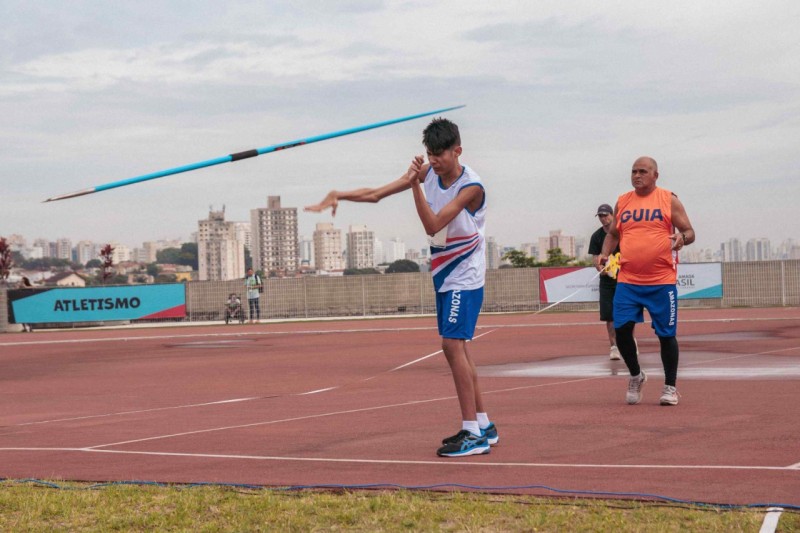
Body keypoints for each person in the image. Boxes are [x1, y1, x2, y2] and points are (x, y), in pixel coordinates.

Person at [305, 117, 497, 457]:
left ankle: (473, 433)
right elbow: (377, 194)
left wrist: (414, 185)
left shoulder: (471, 187)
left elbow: (432, 223)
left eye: (440, 155)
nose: (434, 161)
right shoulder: (429, 174)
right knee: (460, 349)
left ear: (458, 151)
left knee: (451, 345)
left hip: (464, 275)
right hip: (445, 273)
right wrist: (340, 194)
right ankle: (482, 424)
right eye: (429, 154)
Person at [601, 156, 695, 406]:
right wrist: (603, 254)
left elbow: (689, 231)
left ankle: (670, 387)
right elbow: (613, 234)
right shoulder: (623, 201)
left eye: (643, 171)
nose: (636, 175)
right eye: (633, 171)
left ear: (655, 175)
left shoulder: (668, 199)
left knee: (666, 335)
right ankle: (636, 375)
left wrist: (681, 238)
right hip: (628, 280)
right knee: (621, 331)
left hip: (661, 281)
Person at [589, 204, 622, 360]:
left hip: (624, 279)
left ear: (612, 214)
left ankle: (630, 341)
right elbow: (596, 259)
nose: (603, 218)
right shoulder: (596, 236)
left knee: (627, 313)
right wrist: (601, 266)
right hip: (607, 281)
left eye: (605, 215)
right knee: (609, 315)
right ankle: (614, 346)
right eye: (600, 216)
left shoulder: (622, 232)